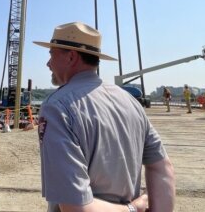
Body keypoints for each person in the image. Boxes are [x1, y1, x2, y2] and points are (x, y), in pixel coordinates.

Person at [33, 22, 175, 212]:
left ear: (71, 56)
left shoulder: (58, 107)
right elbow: (162, 168)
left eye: (52, 54)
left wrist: (131, 210)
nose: (48, 63)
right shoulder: (130, 101)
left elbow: (75, 206)